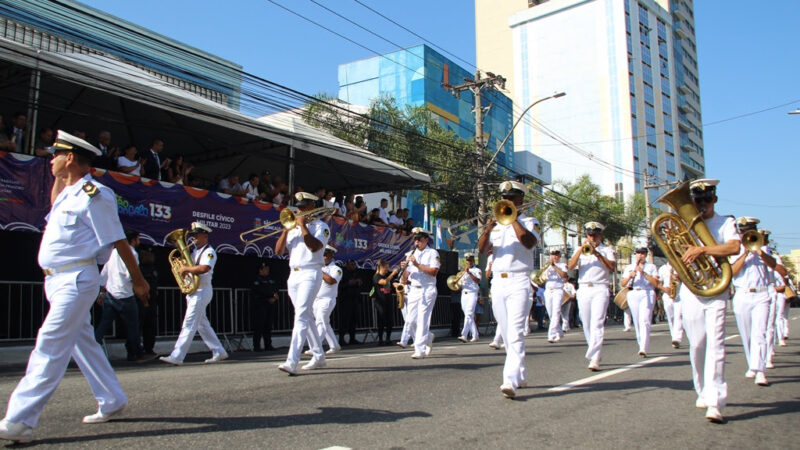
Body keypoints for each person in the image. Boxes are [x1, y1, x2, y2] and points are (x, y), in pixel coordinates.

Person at [0, 131, 150, 444]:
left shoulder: (95, 194)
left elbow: (116, 239)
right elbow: (55, 202)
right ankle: (112, 398)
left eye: (54, 155)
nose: (49, 159)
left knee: (50, 344)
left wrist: (138, 279)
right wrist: (60, 175)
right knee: (83, 343)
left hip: (76, 279)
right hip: (56, 280)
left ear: (69, 157)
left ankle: (19, 421)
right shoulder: (69, 193)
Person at [677, 179, 740, 423]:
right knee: (698, 344)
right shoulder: (685, 225)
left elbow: (734, 247)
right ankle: (702, 389)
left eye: (706, 199)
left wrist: (702, 250)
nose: (701, 204)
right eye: (696, 200)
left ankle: (715, 401)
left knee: (716, 344)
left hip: (717, 288)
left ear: (714, 199)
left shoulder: (726, 223)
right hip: (692, 288)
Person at [478, 180, 538, 399]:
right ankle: (520, 373)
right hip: (498, 282)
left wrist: (512, 220)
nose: (506, 202)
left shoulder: (530, 222)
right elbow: (482, 249)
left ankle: (509, 379)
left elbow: (529, 242)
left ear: (520, 200)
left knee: (514, 332)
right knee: (506, 332)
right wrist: (489, 228)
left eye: (511, 199)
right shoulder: (497, 224)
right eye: (504, 198)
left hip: (519, 281)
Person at [275, 192, 330, 375]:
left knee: (300, 316)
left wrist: (303, 227)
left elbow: (315, 247)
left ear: (311, 208)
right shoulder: (293, 229)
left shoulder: (321, 227)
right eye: (298, 207)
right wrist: (285, 229)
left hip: (310, 273)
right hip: (294, 275)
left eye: (303, 207)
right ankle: (319, 356)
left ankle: (292, 361)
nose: (298, 210)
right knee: (305, 315)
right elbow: (278, 251)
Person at [159, 222, 228, 366]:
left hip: (202, 290)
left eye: (197, 235)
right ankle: (219, 351)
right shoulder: (194, 251)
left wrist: (186, 269)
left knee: (189, 323)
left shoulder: (209, 251)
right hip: (194, 291)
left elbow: (204, 268)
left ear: (205, 235)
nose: (194, 238)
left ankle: (177, 355)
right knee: (202, 324)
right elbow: (190, 268)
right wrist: (182, 267)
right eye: (193, 235)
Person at [730, 217, 781, 387]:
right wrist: (744, 253)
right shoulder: (735, 249)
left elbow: (774, 265)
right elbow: (732, 272)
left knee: (760, 333)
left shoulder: (764, 248)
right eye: (743, 231)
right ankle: (753, 364)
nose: (746, 233)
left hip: (761, 294)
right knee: (747, 334)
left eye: (749, 230)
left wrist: (759, 251)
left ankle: (760, 371)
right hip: (742, 294)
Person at [568, 221, 616, 372]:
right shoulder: (580, 249)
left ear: (600, 235)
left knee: (597, 323)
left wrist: (597, 253)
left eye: (595, 235)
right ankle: (594, 350)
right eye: (589, 235)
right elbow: (570, 266)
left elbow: (612, 267)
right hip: (584, 288)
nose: (592, 238)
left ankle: (595, 356)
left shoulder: (607, 250)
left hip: (600, 287)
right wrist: (581, 250)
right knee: (586, 322)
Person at [94, 230, 146, 361]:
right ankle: (135, 353)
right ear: (133, 240)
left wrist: (102, 292)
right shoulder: (132, 253)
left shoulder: (111, 253)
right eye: (138, 239)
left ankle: (92, 349)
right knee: (133, 326)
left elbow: (104, 274)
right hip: (126, 294)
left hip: (110, 295)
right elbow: (131, 274)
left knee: (104, 325)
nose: (139, 241)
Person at [401, 227, 441, 359]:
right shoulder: (410, 254)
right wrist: (404, 269)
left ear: (426, 239)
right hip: (414, 290)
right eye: (415, 239)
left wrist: (417, 265)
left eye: (419, 239)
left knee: (423, 318)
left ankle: (420, 349)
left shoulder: (433, 253)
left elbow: (434, 272)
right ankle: (428, 336)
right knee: (410, 320)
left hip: (427, 289)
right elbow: (405, 278)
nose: (417, 242)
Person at [620, 247, 660, 357]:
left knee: (645, 320)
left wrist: (643, 273)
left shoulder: (651, 267)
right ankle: (640, 344)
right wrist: (629, 276)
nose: (640, 255)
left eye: (642, 253)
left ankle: (644, 347)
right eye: (638, 253)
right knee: (637, 321)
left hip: (647, 291)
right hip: (633, 293)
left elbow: (655, 282)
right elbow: (623, 284)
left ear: (646, 255)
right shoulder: (629, 267)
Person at [310, 245, 342, 353]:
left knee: (321, 321)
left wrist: (319, 270)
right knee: (325, 323)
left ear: (331, 256)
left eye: (325, 255)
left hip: (327, 299)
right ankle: (334, 345)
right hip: (317, 299)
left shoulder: (336, 269)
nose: (323, 257)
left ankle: (316, 346)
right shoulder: (320, 268)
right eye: (322, 255)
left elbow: (331, 281)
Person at [541, 250, 569, 343]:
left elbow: (563, 275)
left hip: (558, 290)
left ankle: (551, 334)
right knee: (551, 314)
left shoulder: (562, 265)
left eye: (556, 255)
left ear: (559, 256)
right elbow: (542, 279)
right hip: (548, 290)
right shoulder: (546, 266)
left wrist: (553, 266)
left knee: (556, 311)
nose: (555, 257)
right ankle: (559, 332)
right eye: (553, 255)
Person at [251, 262, 279, 351]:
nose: (267, 270)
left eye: (268, 269)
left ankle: (268, 345)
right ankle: (256, 346)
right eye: (265, 269)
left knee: (268, 325)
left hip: (270, 304)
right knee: (259, 326)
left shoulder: (270, 279)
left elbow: (275, 288)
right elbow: (259, 290)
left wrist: (274, 297)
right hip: (260, 304)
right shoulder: (256, 279)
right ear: (261, 270)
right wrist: (270, 295)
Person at [373, 260, 399, 345]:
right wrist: (393, 274)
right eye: (386, 268)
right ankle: (380, 339)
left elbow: (391, 283)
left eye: (388, 268)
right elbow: (384, 282)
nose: (387, 270)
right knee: (381, 319)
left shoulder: (387, 276)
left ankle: (388, 338)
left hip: (388, 300)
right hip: (380, 301)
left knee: (390, 320)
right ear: (381, 267)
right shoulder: (377, 276)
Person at [458, 253, 482, 343]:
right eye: (467, 261)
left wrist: (469, 273)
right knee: (469, 315)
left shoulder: (477, 270)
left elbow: (477, 280)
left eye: (470, 261)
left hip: (472, 293)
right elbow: (460, 283)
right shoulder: (463, 271)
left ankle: (464, 334)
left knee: (468, 313)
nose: (469, 262)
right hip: (464, 294)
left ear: (473, 261)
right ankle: (475, 335)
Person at [659, 261, 684, 349]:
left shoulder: (680, 266)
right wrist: (663, 289)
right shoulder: (662, 268)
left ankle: (677, 338)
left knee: (678, 316)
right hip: (667, 295)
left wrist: (679, 277)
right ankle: (674, 336)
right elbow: (658, 282)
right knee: (671, 317)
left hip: (679, 294)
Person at [338, 260, 363, 346]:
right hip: (345, 300)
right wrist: (348, 283)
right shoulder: (342, 273)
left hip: (355, 299)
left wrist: (359, 282)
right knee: (344, 320)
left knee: (354, 320)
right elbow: (338, 286)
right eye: (351, 264)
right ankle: (341, 338)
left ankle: (352, 338)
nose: (353, 266)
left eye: (354, 264)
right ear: (347, 265)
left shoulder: (356, 273)